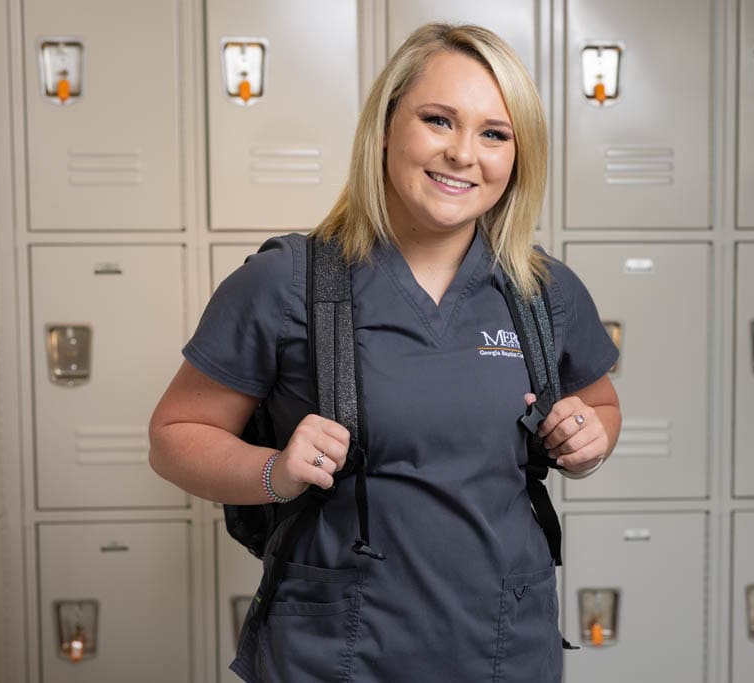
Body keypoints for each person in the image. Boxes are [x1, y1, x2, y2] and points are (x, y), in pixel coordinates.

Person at [148, 22, 621, 682]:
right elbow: (174, 434)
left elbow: (598, 402)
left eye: (494, 133)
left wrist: (591, 437)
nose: (463, 153)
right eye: (438, 120)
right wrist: (274, 470)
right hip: (336, 652)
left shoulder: (543, 292)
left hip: (504, 647)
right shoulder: (288, 283)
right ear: (385, 129)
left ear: (518, 157)